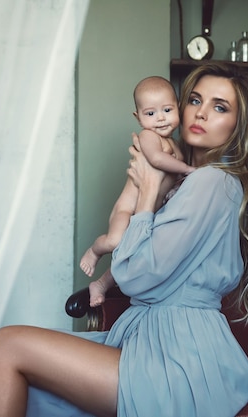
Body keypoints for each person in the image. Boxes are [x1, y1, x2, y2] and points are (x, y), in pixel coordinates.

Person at [0, 62, 248, 417]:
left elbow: (137, 277)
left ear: (237, 125)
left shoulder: (211, 182)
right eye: (195, 100)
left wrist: (148, 191)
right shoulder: (191, 181)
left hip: (177, 362)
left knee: (6, 345)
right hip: (154, 344)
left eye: (220, 107)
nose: (200, 113)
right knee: (5, 376)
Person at [80, 76, 195, 307]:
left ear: (179, 109)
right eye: (150, 113)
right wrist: (187, 169)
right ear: (138, 117)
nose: (160, 118)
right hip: (128, 209)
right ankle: (95, 249)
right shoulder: (148, 137)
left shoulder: (177, 145)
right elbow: (155, 159)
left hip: (148, 214)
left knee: (131, 255)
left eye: (167, 109)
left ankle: (101, 284)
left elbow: (169, 179)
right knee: (116, 242)